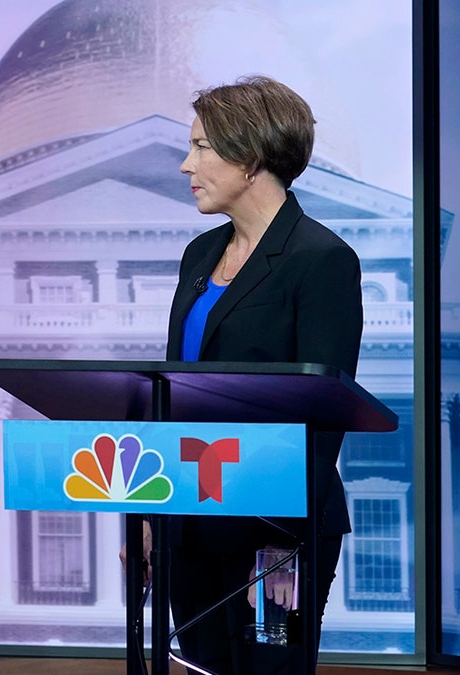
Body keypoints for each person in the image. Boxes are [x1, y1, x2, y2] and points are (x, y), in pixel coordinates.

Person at [122, 75, 363, 674]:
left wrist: (280, 535)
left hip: (274, 536)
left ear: (251, 156)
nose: (186, 165)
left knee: (268, 666)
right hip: (191, 523)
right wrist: (152, 513)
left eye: (202, 147)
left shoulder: (321, 260)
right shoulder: (200, 255)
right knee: (204, 666)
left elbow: (323, 412)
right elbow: (172, 392)